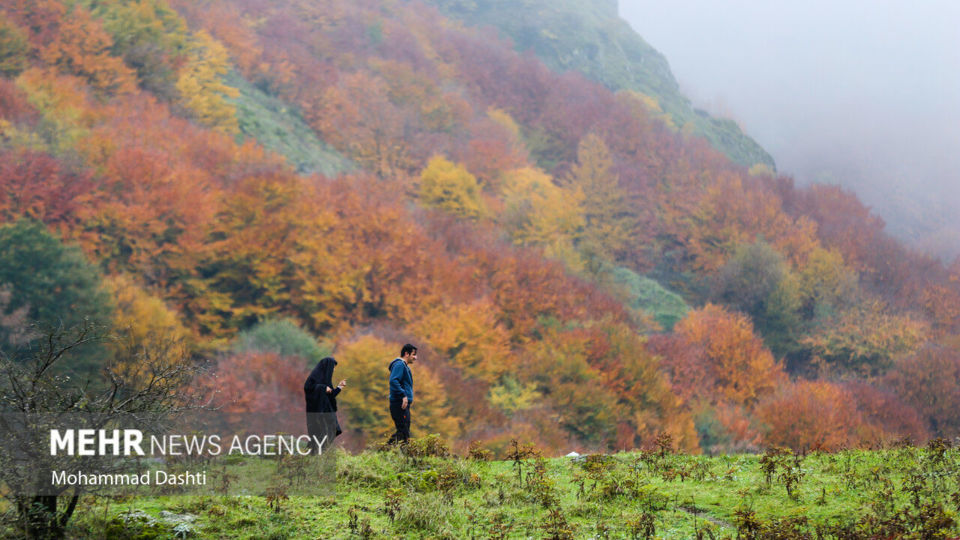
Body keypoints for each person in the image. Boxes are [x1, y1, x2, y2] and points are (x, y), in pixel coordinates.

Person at [304, 356, 346, 452]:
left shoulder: (326, 380)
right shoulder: (313, 378)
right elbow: (308, 388)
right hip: (318, 411)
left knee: (332, 430)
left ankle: (321, 452)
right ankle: (315, 453)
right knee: (319, 431)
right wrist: (323, 388)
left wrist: (339, 387)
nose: (334, 370)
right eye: (333, 367)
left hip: (327, 410)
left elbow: (330, 395)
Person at [387, 344, 416, 445]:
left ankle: (387, 451)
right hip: (399, 403)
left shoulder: (404, 366)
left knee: (404, 431)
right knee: (403, 431)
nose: (415, 357)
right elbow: (394, 381)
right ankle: (386, 451)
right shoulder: (399, 365)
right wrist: (403, 395)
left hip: (402, 403)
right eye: (413, 354)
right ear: (406, 354)